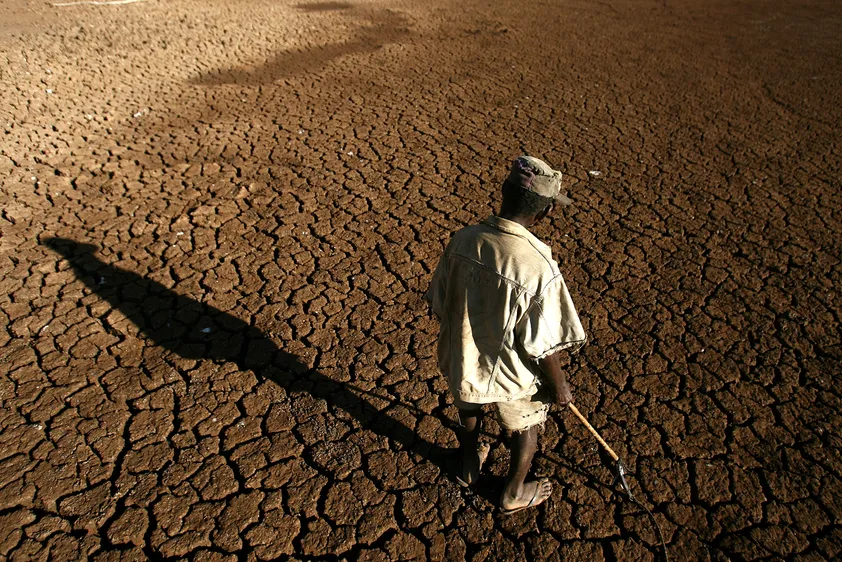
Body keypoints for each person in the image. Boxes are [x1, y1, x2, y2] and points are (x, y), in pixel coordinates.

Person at [425, 155, 587, 514]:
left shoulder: (463, 240)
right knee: (525, 421)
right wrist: (559, 386)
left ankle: (468, 467)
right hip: (511, 372)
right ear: (545, 213)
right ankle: (513, 492)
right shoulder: (538, 265)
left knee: (467, 400)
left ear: (504, 193)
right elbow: (544, 345)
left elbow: (438, 302)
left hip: (463, 355)